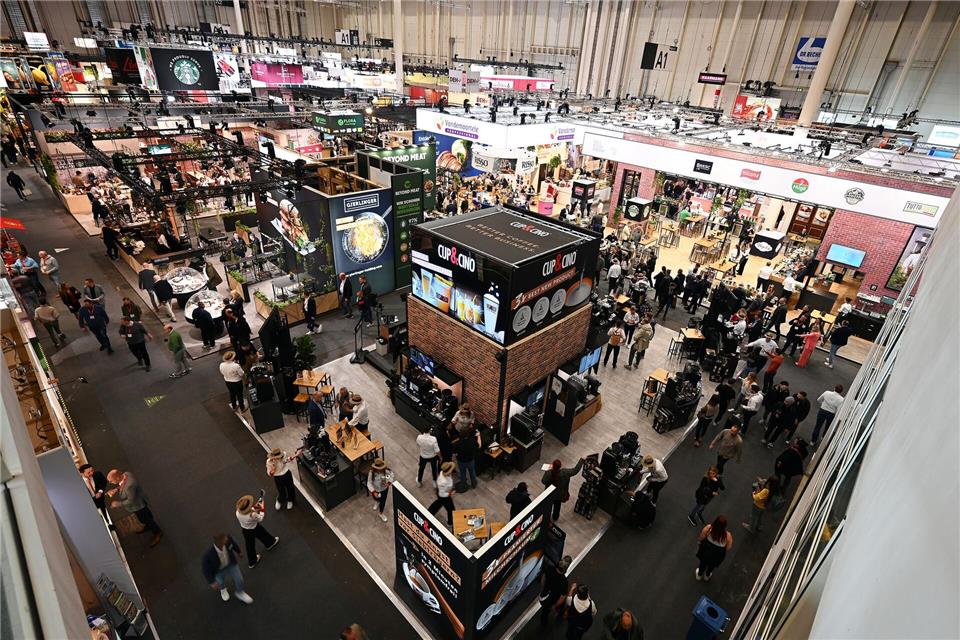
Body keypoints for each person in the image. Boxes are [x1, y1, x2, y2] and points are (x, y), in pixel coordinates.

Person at [107, 469, 162, 546]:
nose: (110, 483)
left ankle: (157, 532)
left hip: (138, 505)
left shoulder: (129, 486)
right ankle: (148, 525)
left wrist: (118, 504)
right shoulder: (126, 474)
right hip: (138, 502)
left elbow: (131, 500)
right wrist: (116, 489)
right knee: (144, 518)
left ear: (117, 478)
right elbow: (123, 484)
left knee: (147, 519)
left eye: (111, 481)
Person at [201, 534, 254, 604]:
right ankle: (223, 589)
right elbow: (205, 569)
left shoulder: (228, 540)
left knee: (239, 579)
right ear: (219, 543)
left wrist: (239, 552)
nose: (227, 539)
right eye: (225, 539)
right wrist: (211, 582)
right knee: (220, 582)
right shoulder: (208, 555)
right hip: (218, 571)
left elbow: (233, 544)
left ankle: (240, 593)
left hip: (231, 565)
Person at [235, 494, 279, 568]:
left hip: (245, 531)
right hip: (255, 528)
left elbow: (250, 510)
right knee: (263, 534)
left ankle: (252, 561)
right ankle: (270, 543)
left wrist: (258, 503)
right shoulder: (252, 514)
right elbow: (261, 518)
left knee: (249, 546)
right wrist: (262, 507)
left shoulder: (237, 513)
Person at [696, 515, 733, 582]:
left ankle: (699, 575)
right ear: (725, 526)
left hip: (706, 549)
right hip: (717, 554)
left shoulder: (708, 528)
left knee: (703, 562)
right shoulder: (728, 535)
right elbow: (728, 547)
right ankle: (707, 576)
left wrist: (699, 543)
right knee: (712, 565)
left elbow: (702, 537)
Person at [538, 555, 572, 626]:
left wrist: (542, 589)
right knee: (556, 607)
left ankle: (543, 623)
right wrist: (554, 606)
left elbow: (543, 579)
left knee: (545, 612)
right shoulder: (564, 581)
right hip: (552, 600)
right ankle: (559, 615)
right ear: (566, 568)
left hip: (544, 596)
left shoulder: (549, 568)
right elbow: (562, 597)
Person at [366, 458, 394, 522]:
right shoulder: (371, 473)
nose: (380, 470)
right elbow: (369, 482)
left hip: (384, 489)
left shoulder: (386, 471)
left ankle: (381, 513)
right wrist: (373, 491)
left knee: (383, 501)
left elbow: (391, 475)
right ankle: (377, 502)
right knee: (375, 498)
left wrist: (389, 482)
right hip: (375, 489)